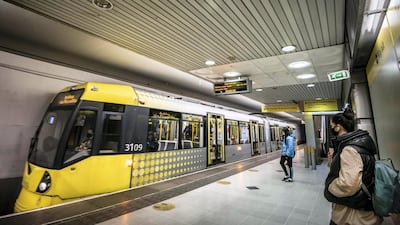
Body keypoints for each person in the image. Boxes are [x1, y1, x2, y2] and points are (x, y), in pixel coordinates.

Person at [324, 110, 382, 225]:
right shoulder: (354, 144)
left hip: (352, 216)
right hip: (358, 211)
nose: (331, 128)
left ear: (338, 127)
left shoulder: (349, 149)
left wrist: (330, 186)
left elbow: (348, 185)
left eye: (331, 126)